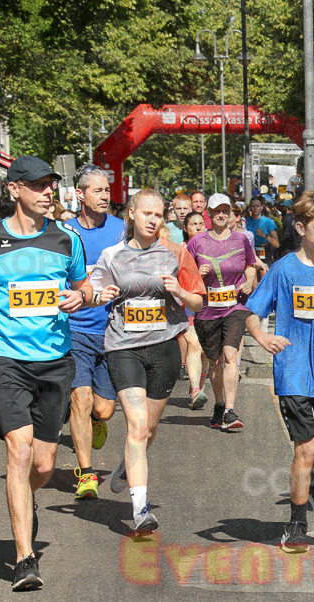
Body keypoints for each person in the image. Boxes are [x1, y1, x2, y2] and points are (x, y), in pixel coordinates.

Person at [0, 156, 91, 590]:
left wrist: (81, 297)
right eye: (37, 185)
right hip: (5, 360)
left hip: (55, 360)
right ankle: (24, 558)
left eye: (50, 184)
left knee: (43, 463)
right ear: (14, 189)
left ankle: (27, 499)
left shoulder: (67, 240)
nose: (47, 191)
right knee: (17, 450)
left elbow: (84, 285)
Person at [244, 189, 314, 550]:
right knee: (305, 450)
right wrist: (263, 338)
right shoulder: (282, 270)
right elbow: (252, 314)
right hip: (291, 371)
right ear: (300, 227)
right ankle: (295, 524)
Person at [91, 187, 204, 533]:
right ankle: (141, 510)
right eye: (147, 214)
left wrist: (180, 292)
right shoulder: (111, 255)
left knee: (149, 429)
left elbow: (199, 301)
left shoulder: (176, 252)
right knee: (137, 427)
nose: (154, 220)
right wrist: (99, 295)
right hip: (123, 348)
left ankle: (128, 465)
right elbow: (92, 292)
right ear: (132, 214)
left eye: (159, 214)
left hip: (164, 347)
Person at [63, 165, 125, 499]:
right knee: (81, 400)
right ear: (80, 194)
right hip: (74, 330)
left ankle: (96, 424)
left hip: (112, 330)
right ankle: (86, 473)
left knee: (103, 409)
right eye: (98, 191)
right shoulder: (63, 232)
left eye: (107, 191)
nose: (105, 196)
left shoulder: (121, 230)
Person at [185, 193, 259, 431]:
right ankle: (219, 405)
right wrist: (198, 272)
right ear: (209, 213)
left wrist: (249, 280)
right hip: (207, 310)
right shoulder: (197, 242)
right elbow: (186, 275)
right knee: (215, 362)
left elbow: (250, 264)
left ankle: (230, 410)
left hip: (235, 306)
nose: (221, 215)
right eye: (217, 211)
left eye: (226, 210)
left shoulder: (241, 240)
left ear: (230, 213)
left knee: (229, 355)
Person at [181, 211, 210, 408]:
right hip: (188, 305)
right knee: (194, 344)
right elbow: (175, 278)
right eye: (193, 224)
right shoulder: (181, 250)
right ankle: (195, 389)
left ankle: (199, 385)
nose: (198, 227)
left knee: (206, 352)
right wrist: (195, 274)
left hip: (210, 304)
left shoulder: (211, 247)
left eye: (201, 223)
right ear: (186, 228)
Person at [246, 196, 280, 264]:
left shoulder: (268, 222)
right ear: (250, 207)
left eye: (257, 206)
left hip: (265, 252)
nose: (255, 208)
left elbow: (277, 244)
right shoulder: (245, 221)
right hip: (251, 252)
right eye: (253, 206)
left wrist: (264, 235)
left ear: (262, 207)